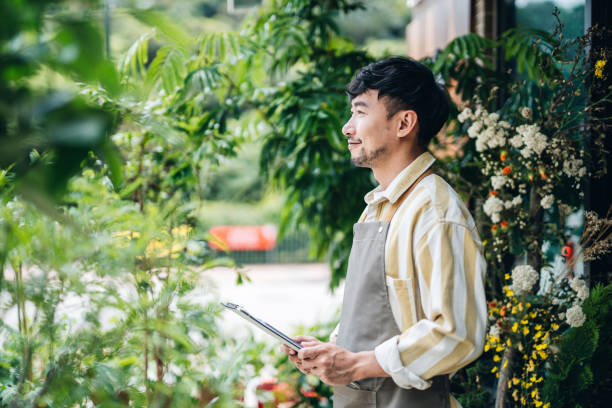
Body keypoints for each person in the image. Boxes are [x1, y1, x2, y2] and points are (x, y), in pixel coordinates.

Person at [280, 57, 487, 408]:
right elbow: (380, 324)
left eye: (360, 113)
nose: (348, 128)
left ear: (404, 123)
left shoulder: (435, 211)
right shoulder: (378, 206)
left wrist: (358, 364)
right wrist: (331, 353)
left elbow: (457, 333)